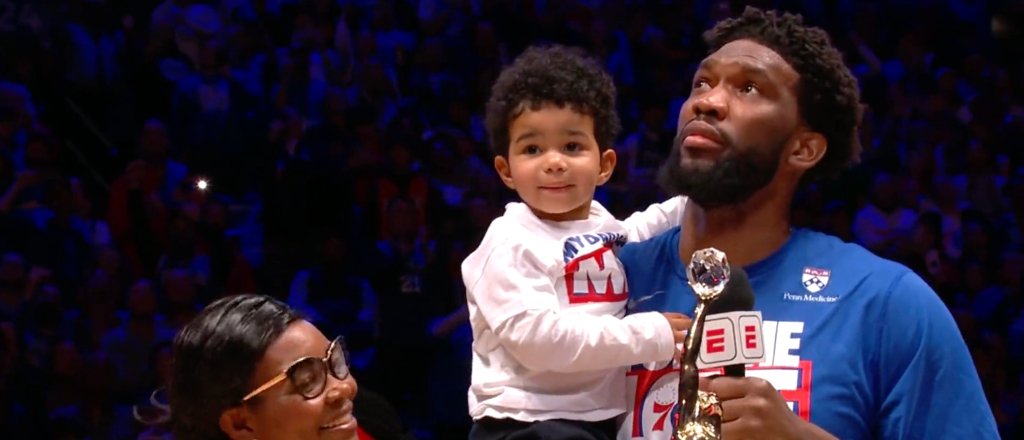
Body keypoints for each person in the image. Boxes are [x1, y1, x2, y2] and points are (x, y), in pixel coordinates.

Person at [616, 7, 999, 440]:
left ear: (804, 149)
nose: (707, 101)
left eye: (748, 88)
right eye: (702, 82)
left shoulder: (885, 304)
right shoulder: (609, 278)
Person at [462, 45, 692, 440]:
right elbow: (541, 341)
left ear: (604, 165)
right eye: (532, 149)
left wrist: (698, 198)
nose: (554, 161)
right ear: (506, 171)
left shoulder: (603, 226)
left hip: (594, 420)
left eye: (572, 146)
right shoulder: (509, 242)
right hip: (524, 424)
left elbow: (641, 229)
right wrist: (649, 336)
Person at [143, 294, 414, 440]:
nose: (345, 388)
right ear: (241, 424)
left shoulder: (375, 422)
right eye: (308, 381)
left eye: (336, 361)